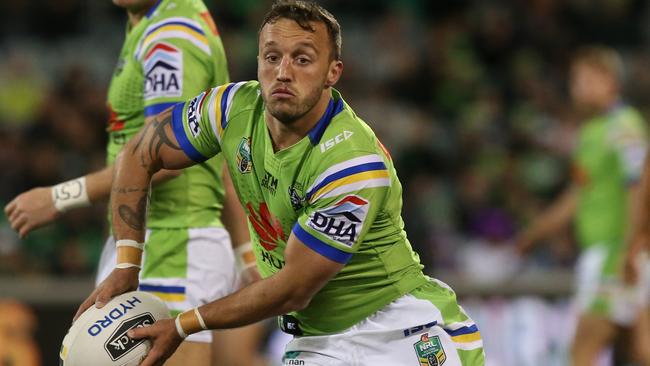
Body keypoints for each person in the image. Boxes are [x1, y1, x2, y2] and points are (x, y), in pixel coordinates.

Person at [79, 1, 486, 365]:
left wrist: (184, 324)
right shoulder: (230, 109)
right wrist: (126, 265)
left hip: (400, 331)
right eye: (272, 57)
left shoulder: (350, 164)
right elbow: (139, 153)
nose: (283, 72)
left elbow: (293, 289)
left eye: (303, 59)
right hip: (317, 339)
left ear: (333, 72)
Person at [4, 0, 264, 365]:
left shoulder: (171, 36)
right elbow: (215, 151)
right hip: (150, 240)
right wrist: (244, 254)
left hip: (175, 242)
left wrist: (61, 196)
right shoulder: (152, 23)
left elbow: (162, 156)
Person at [516, 46, 650, 366]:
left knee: (582, 352)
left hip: (615, 253)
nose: (577, 87)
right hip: (608, 253)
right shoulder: (591, 132)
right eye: (576, 79)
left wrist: (633, 246)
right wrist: (532, 235)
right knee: (634, 353)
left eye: (586, 78)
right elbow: (576, 197)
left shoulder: (624, 128)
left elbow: (641, 186)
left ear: (609, 81)